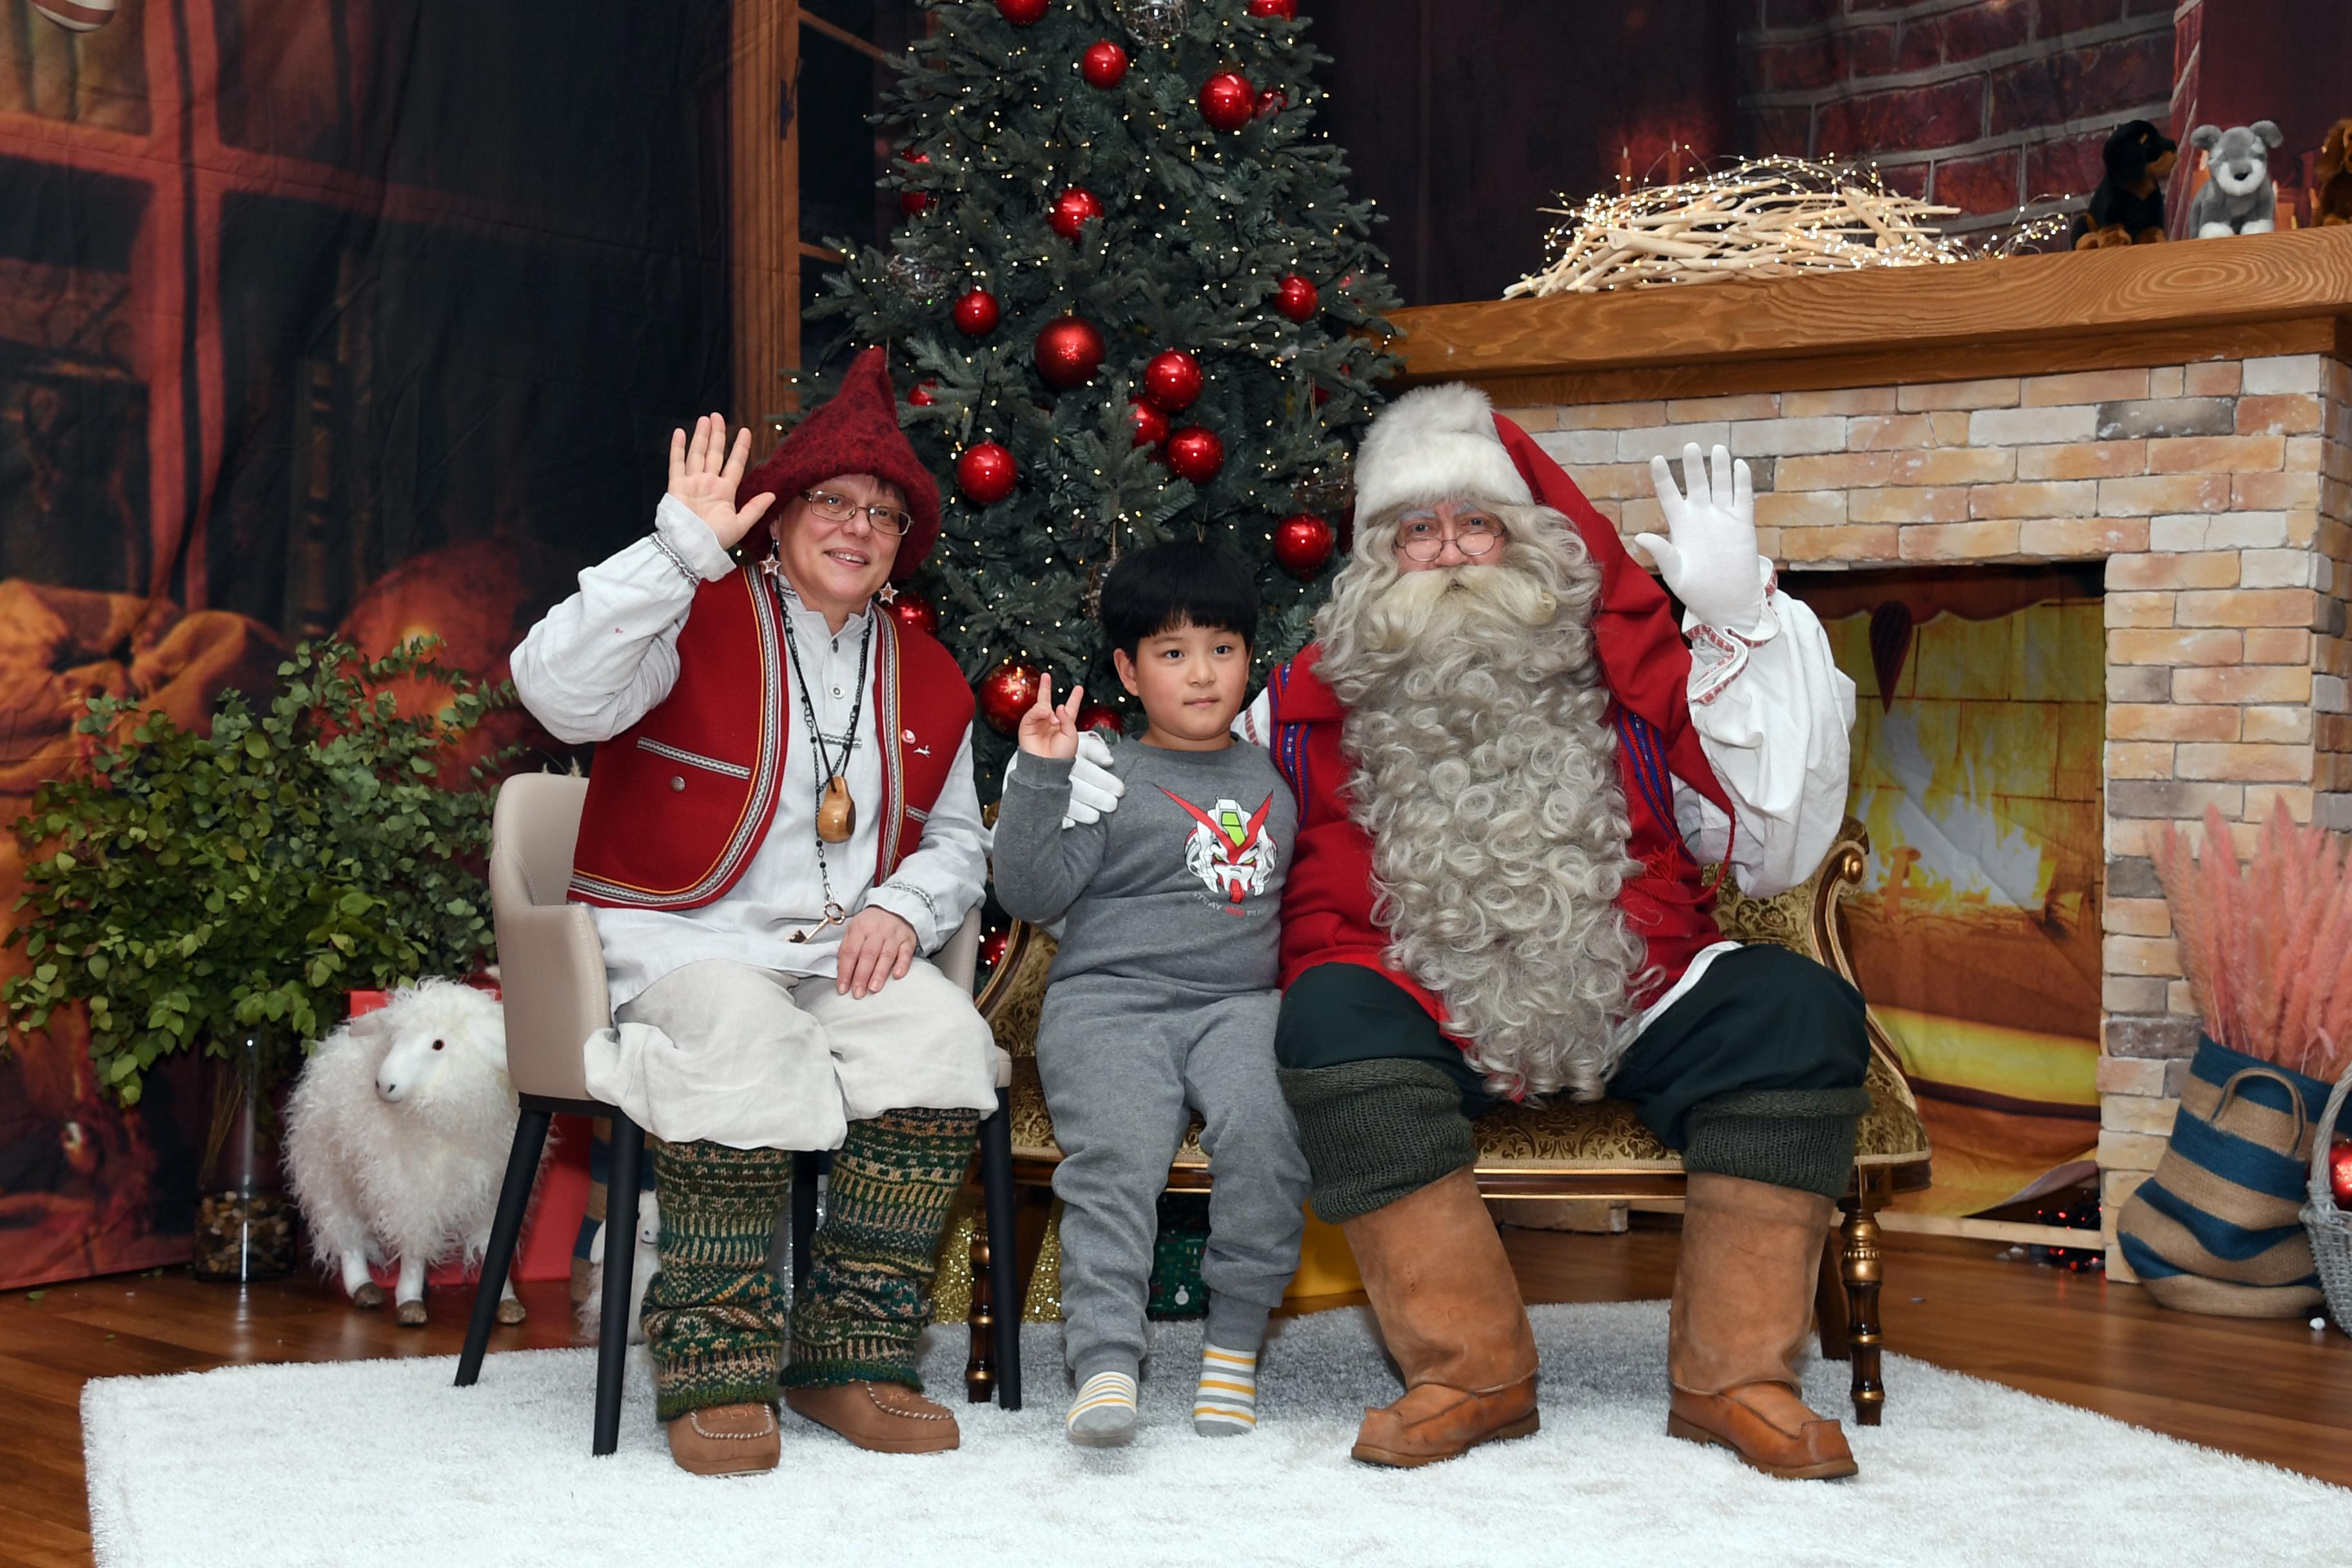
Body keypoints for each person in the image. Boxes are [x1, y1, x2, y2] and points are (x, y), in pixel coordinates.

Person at [1058, 382, 1865, 1478]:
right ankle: (1470, 1368)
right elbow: (1165, 793)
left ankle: (1739, 1379)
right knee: (1328, 1014)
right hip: (1413, 999)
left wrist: (1740, 624)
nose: (1447, 552)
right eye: (1417, 529)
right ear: (1376, 559)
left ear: (1526, 539)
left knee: (1796, 1006)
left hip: (1627, 982)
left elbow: (1771, 844)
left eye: (1474, 523)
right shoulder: (1284, 705)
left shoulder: (1628, 682)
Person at [510, 348, 997, 1475]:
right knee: (744, 1034)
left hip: (837, 950)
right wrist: (680, 547)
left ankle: (848, 1356)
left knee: (941, 1041)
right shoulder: (688, 611)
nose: (857, 527)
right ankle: (716, 1366)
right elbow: (554, 689)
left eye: (882, 513)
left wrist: (906, 907)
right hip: (678, 939)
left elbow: (962, 839)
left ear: (901, 546)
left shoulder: (929, 674)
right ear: (776, 519)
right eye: (832, 500)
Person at [992, 541, 1310, 1448]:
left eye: (1222, 648)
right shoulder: (1105, 772)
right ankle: (1103, 1364)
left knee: (1265, 1128)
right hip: (1111, 1003)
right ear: (1129, 671)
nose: (1202, 673)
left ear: (1251, 657)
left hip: (1241, 1004)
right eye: (1172, 654)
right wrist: (1043, 778)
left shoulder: (1277, 774)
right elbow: (1031, 893)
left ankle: (1232, 1352)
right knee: (1115, 1159)